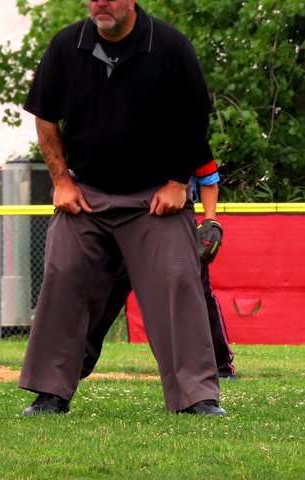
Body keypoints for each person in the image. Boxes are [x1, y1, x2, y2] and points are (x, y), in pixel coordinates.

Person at [18, 0, 226, 417]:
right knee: (63, 275)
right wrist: (61, 182)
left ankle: (197, 397)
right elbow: (45, 118)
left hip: (153, 198)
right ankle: (51, 392)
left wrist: (177, 183)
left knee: (177, 278)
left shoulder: (170, 46)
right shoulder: (66, 45)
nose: (101, 2)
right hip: (87, 194)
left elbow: (195, 122)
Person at [79, 159, 236, 381]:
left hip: (174, 222)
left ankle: (219, 367)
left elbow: (208, 178)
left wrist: (210, 221)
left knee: (196, 294)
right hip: (125, 222)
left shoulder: (183, 133)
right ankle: (75, 366)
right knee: (103, 293)